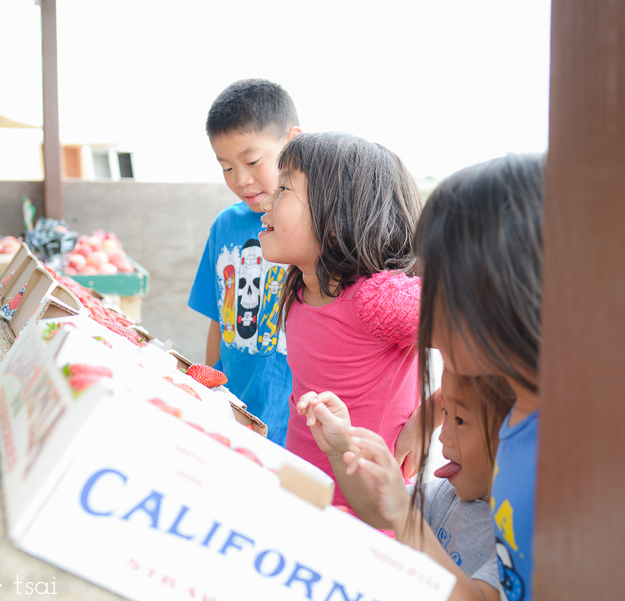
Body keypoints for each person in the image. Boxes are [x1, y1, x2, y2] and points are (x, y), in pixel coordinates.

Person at [258, 131, 423, 511]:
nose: (267, 201)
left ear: (336, 220)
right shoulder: (303, 286)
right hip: (305, 497)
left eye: (284, 189)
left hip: (366, 520)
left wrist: (433, 413)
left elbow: (484, 333)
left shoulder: (377, 298)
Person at [413, 154, 546, 601]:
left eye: (437, 290)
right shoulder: (518, 417)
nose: (426, 327)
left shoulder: (567, 451)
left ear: (496, 288)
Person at [296, 370, 516, 600]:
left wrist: (405, 514)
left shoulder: (521, 535)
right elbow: (375, 508)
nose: (442, 435)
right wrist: (341, 449)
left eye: (460, 420)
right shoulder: (448, 494)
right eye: (445, 414)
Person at [188, 79, 302, 446]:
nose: (242, 180)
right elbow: (217, 321)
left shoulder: (316, 227)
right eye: (226, 168)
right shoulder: (225, 226)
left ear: (292, 141)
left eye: (252, 161)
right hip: (233, 416)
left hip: (292, 429)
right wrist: (211, 390)